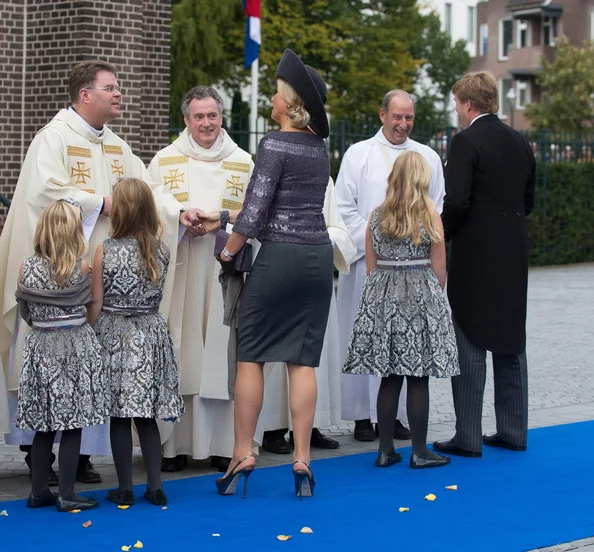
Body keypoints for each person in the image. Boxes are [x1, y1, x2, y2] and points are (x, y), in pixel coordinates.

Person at [0, 60, 198, 484]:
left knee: (91, 365)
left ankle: (82, 456)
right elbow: (45, 193)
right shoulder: (52, 139)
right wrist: (102, 203)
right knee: (56, 363)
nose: (119, 93)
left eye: (118, 87)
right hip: (61, 277)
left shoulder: (117, 146)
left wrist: (181, 213)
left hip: (108, 279)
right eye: (110, 87)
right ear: (85, 95)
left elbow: (146, 191)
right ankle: (39, 455)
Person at [215, 49, 333, 499]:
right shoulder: (318, 149)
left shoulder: (274, 143)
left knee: (252, 355)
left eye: (276, 92)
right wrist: (227, 217)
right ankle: (302, 459)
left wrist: (227, 252)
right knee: (302, 361)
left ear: (289, 101)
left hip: (279, 257)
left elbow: (256, 214)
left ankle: (242, 453)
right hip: (316, 257)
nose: (271, 96)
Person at [147, 86, 255, 474]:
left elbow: (257, 212)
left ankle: (226, 444)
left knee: (222, 352)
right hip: (183, 269)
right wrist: (178, 215)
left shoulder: (243, 162)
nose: (206, 123)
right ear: (186, 119)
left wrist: (220, 222)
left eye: (212, 115)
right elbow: (148, 204)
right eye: (198, 117)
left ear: (221, 117)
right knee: (181, 347)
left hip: (225, 273)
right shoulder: (164, 161)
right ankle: (173, 446)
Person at [433, 71, 535, 458]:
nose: (456, 110)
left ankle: (468, 436)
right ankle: (513, 430)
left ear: (469, 104)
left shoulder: (465, 142)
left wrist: (440, 234)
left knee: (470, 339)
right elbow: (529, 200)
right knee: (511, 340)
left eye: (458, 103)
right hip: (513, 252)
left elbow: (457, 202)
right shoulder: (520, 140)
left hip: (475, 254)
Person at [336, 90, 445, 443]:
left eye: (408, 117)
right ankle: (361, 418)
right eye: (396, 116)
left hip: (414, 270)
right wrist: (374, 245)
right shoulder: (359, 154)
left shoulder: (427, 156)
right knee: (368, 340)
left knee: (404, 346)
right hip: (370, 268)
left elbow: (437, 207)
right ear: (382, 114)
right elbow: (344, 206)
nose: (402, 124)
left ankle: (394, 419)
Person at [343, 151, 458, 469]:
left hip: (384, 295)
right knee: (418, 377)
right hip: (419, 292)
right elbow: (440, 266)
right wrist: (433, 301)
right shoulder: (429, 214)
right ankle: (419, 451)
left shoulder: (377, 215)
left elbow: (370, 264)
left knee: (389, 376)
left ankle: (384, 450)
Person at [88, 178, 185, 507]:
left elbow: (97, 302)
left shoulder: (105, 249)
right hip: (150, 333)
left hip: (115, 334)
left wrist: (88, 328)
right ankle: (156, 487)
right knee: (146, 416)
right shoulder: (161, 249)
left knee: (119, 416)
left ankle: (125, 487)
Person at [16, 200, 108, 512]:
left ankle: (38, 491)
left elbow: (25, 310)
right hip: (75, 346)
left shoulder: (26, 267)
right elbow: (93, 305)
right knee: (72, 423)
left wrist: (44, 326)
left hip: (40, 346)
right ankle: (67, 493)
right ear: (73, 232)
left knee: (43, 423)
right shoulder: (82, 267)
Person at [260, 178, 356, 454]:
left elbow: (336, 224)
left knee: (313, 350)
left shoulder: (323, 178)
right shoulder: (271, 169)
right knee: (279, 351)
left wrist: (324, 238)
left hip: (314, 268)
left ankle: (310, 427)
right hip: (280, 268)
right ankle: (273, 428)